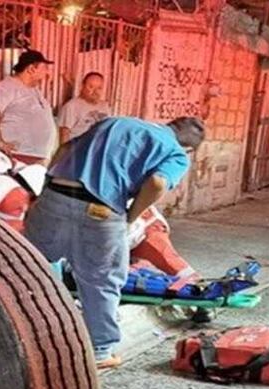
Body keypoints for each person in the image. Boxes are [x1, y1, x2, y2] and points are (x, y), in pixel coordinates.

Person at [25, 116, 205, 369]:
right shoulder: (176, 154)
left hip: (55, 195)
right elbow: (157, 182)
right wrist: (129, 218)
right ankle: (100, 351)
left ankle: (18, 331)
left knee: (27, 264)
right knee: (101, 279)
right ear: (188, 148)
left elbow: (66, 148)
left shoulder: (115, 122)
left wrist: (46, 190)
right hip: (101, 209)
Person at [0, 50, 57, 165]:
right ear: (31, 69)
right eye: (44, 68)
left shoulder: (34, 90)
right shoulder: (6, 87)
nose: (47, 73)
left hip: (35, 157)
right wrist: (0, 143)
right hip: (13, 157)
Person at [57, 72, 112, 145]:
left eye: (99, 88)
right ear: (82, 86)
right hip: (79, 150)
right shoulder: (71, 106)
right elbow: (64, 134)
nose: (95, 91)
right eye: (91, 87)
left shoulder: (105, 106)